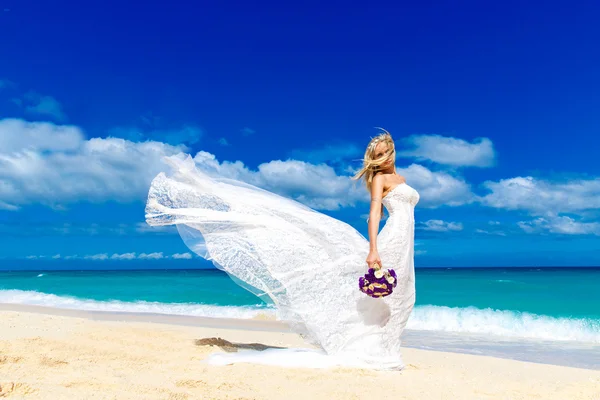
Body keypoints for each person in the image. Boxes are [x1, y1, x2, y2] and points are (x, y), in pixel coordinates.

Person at [145, 128, 420, 370]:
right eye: (378, 155)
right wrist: (373, 249)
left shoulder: (403, 179)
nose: (383, 159)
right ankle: (374, 352)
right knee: (387, 296)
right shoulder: (379, 181)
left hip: (406, 245)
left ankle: (386, 350)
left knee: (403, 296)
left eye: (386, 153)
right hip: (391, 239)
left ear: (393, 152)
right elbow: (374, 215)